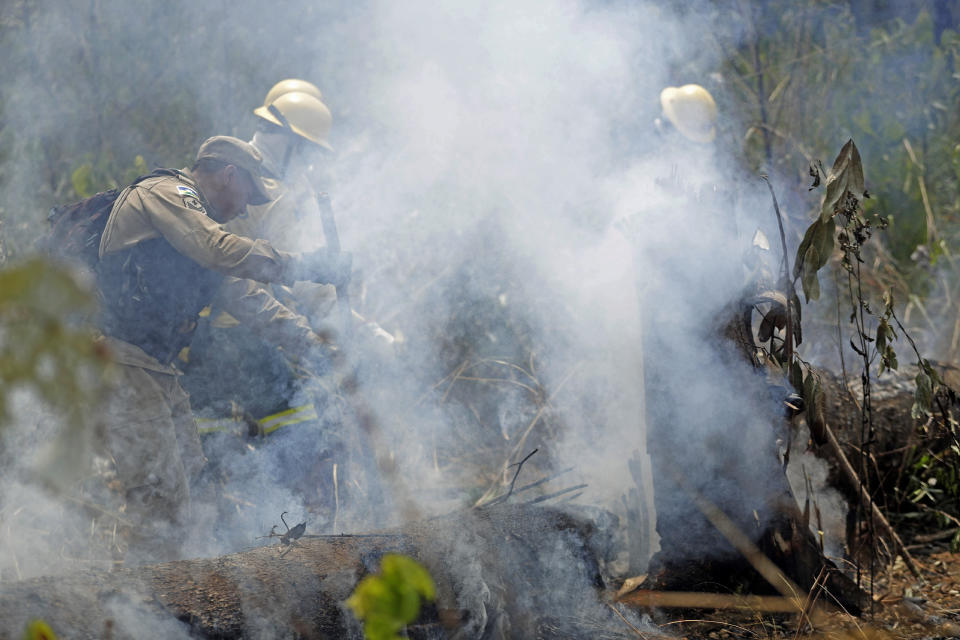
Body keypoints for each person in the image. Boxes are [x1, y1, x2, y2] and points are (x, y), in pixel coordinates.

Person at [96, 135, 349, 564]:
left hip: (155, 368)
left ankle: (190, 598)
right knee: (160, 497)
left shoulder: (197, 236)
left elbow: (250, 301)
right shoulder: (168, 195)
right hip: (117, 361)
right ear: (230, 175)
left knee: (197, 488)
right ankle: (145, 611)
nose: (248, 208)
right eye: (249, 193)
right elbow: (219, 250)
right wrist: (305, 265)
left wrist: (316, 344)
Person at [181, 81, 392, 525]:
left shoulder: (223, 167)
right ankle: (296, 533)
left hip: (193, 338)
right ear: (291, 141)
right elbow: (299, 283)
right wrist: (354, 333)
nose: (312, 163)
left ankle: (218, 541)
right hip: (239, 333)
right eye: (310, 150)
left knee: (212, 450)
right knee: (300, 434)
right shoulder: (268, 190)